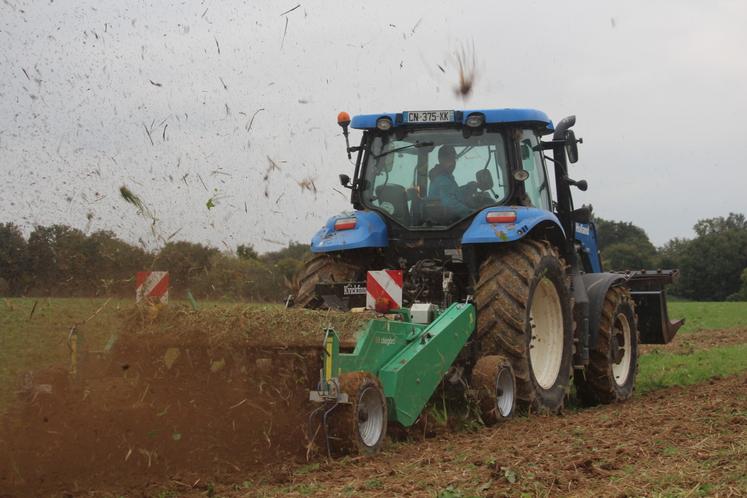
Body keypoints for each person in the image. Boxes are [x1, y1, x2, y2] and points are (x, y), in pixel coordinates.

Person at [427, 145, 473, 219]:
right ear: (440, 160)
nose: (452, 163)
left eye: (453, 159)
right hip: (447, 222)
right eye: (448, 159)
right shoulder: (442, 179)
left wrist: (468, 188)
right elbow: (449, 203)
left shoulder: (444, 177)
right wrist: (471, 213)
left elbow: (453, 193)